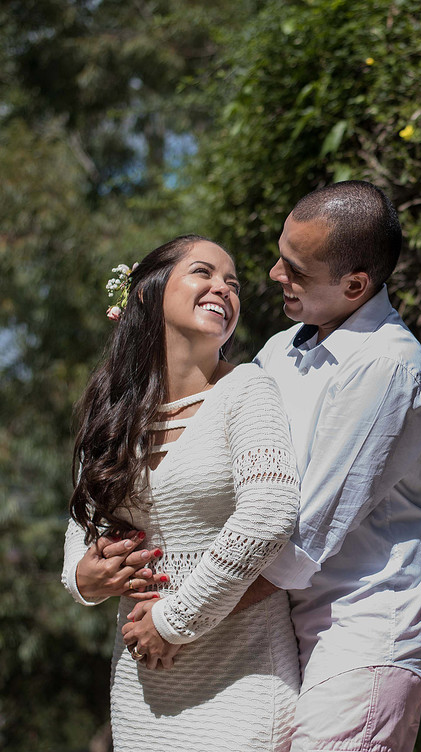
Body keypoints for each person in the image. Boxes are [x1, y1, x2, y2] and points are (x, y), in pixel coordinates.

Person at [61, 235, 302, 752]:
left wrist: (173, 622)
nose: (223, 289)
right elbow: (83, 526)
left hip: (243, 682)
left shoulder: (247, 391)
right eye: (204, 273)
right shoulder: (115, 412)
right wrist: (85, 577)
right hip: (140, 689)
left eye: (233, 284)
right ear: (147, 294)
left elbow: (270, 513)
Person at [246, 180, 421, 752]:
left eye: (295, 268)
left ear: (355, 285)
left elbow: (304, 536)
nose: (273, 275)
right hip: (294, 634)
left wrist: (185, 619)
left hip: (367, 632)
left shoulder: (386, 367)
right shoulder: (281, 351)